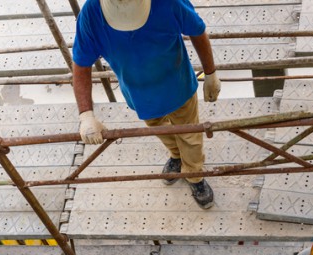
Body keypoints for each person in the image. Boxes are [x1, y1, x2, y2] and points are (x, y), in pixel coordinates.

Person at [71, 0, 221, 209]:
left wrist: (211, 73)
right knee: (159, 129)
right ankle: (177, 156)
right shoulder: (92, 14)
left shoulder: (168, 3)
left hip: (178, 86)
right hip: (140, 95)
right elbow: (81, 63)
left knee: (190, 136)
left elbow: (197, 31)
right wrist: (86, 115)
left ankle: (194, 175)